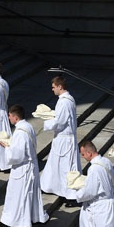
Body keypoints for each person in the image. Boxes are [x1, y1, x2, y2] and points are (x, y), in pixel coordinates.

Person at [0, 104, 48, 227]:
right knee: (26, 195)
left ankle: (18, 223)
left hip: (23, 169)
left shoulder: (20, 132)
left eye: (10, 116)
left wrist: (6, 147)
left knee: (19, 196)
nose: (9, 118)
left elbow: (17, 155)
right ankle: (30, 218)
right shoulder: (28, 126)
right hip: (29, 166)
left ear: (15, 117)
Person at [40, 76, 80, 205]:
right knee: (55, 163)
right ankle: (51, 186)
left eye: (53, 87)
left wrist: (47, 122)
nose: (52, 90)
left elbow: (60, 121)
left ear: (60, 87)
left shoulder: (64, 101)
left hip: (65, 139)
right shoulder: (67, 99)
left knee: (66, 167)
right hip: (62, 138)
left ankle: (71, 195)